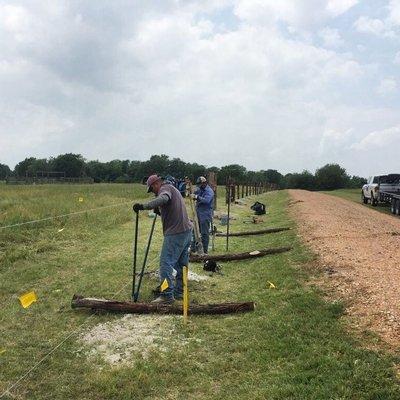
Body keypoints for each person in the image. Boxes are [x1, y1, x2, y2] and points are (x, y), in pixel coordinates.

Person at [133, 174, 193, 304]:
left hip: (176, 233)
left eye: (152, 189)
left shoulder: (165, 188)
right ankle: (179, 292)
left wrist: (144, 206)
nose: (153, 192)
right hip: (186, 231)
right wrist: (160, 211)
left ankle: (166, 294)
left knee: (165, 264)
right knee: (182, 265)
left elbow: (164, 198)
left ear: (156, 184)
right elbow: (170, 206)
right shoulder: (173, 189)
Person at [190, 176, 214, 253]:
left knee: (204, 233)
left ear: (204, 183)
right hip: (197, 213)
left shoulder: (209, 191)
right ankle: (193, 249)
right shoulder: (200, 189)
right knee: (195, 231)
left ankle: (204, 251)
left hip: (205, 214)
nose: (199, 186)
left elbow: (207, 200)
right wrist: (190, 192)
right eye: (198, 185)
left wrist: (197, 197)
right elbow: (194, 192)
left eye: (200, 185)